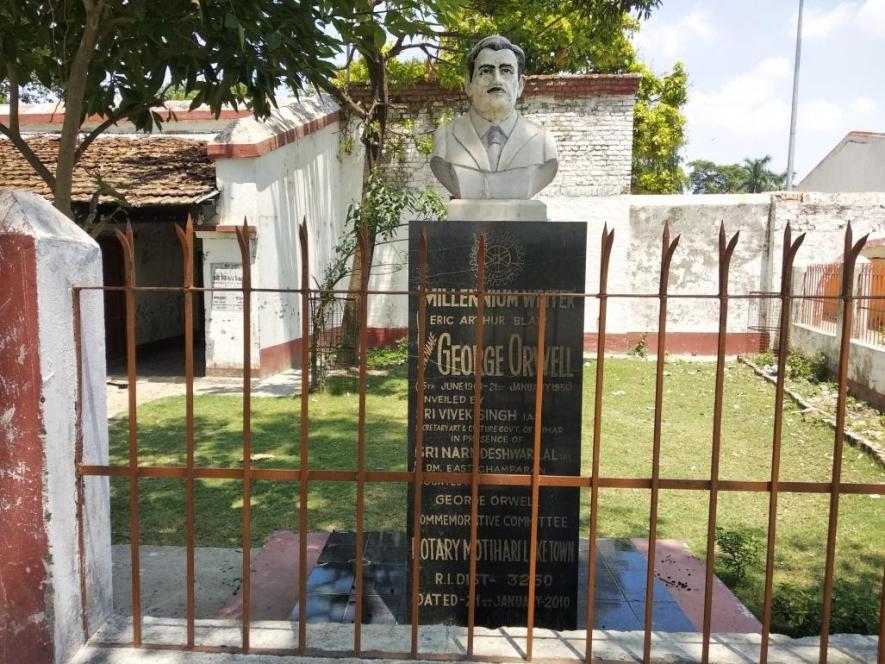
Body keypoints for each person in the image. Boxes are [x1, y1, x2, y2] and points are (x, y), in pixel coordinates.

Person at [430, 35, 558, 200]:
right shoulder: (445, 138)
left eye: (506, 71)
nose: (497, 80)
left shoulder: (543, 142)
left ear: (520, 85)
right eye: (486, 71)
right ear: (468, 84)